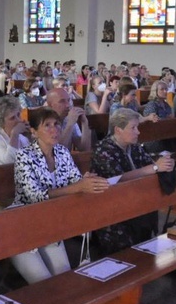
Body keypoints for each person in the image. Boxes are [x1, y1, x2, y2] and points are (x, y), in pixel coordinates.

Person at [11, 108, 109, 283]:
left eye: (56, 124)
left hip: (51, 222)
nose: (54, 130)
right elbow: (35, 197)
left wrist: (85, 182)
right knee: (43, 282)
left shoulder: (62, 153)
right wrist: (78, 186)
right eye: (47, 125)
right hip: (23, 225)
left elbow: (76, 183)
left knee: (63, 277)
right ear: (33, 132)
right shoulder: (24, 156)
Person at [89, 108, 175, 255]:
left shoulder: (134, 147)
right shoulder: (103, 150)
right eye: (133, 128)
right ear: (118, 130)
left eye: (138, 127)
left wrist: (164, 164)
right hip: (112, 209)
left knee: (146, 232)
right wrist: (154, 167)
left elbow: (150, 165)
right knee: (128, 250)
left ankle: (146, 262)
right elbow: (117, 180)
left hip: (136, 200)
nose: (138, 132)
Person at [45, 87, 91, 152]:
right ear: (50, 106)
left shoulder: (68, 119)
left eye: (68, 100)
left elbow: (84, 149)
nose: (68, 105)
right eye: (62, 101)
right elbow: (57, 151)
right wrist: (70, 124)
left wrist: (85, 123)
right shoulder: (44, 123)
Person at [0, 95, 30, 166]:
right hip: (2, 174)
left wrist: (31, 136)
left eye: (18, 115)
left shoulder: (21, 133)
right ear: (1, 121)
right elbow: (9, 161)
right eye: (12, 118)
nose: (18, 120)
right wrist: (15, 133)